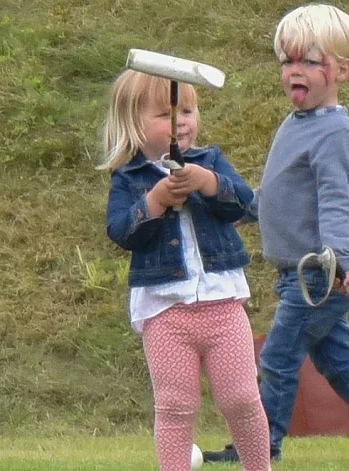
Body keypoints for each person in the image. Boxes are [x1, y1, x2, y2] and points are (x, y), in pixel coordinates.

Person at [203, 3, 349, 463]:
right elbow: (281, 190)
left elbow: (336, 201)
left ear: (341, 69)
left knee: (278, 361)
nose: (293, 71)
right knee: (335, 359)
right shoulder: (295, 124)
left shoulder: (336, 133)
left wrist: (340, 257)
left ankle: (261, 449)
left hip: (317, 275)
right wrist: (243, 208)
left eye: (308, 61)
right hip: (293, 275)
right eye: (287, 61)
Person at [100, 68, 271, 471]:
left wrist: (209, 182)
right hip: (164, 311)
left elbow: (244, 204)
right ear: (133, 125)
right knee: (175, 406)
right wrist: (155, 201)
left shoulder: (209, 160)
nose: (181, 122)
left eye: (188, 110)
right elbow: (122, 232)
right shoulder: (128, 178)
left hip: (223, 304)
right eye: (165, 115)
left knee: (242, 399)